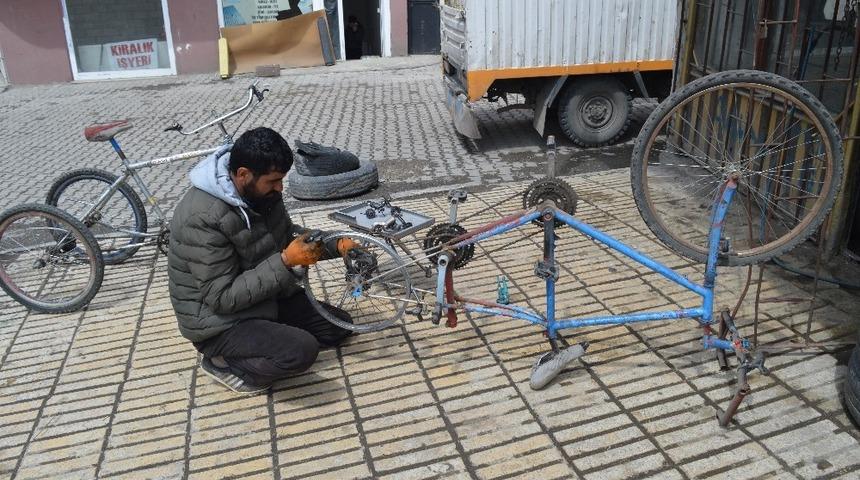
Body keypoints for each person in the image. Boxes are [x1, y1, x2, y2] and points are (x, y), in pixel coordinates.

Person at [168, 127, 359, 395]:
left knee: (338, 326)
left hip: (261, 299)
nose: (280, 188)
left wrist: (335, 244)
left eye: (281, 180)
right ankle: (221, 362)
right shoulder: (202, 217)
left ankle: (270, 333)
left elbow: (287, 236)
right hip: (220, 322)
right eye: (273, 181)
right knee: (301, 350)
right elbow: (221, 297)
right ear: (243, 174)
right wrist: (285, 261)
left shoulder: (260, 193)